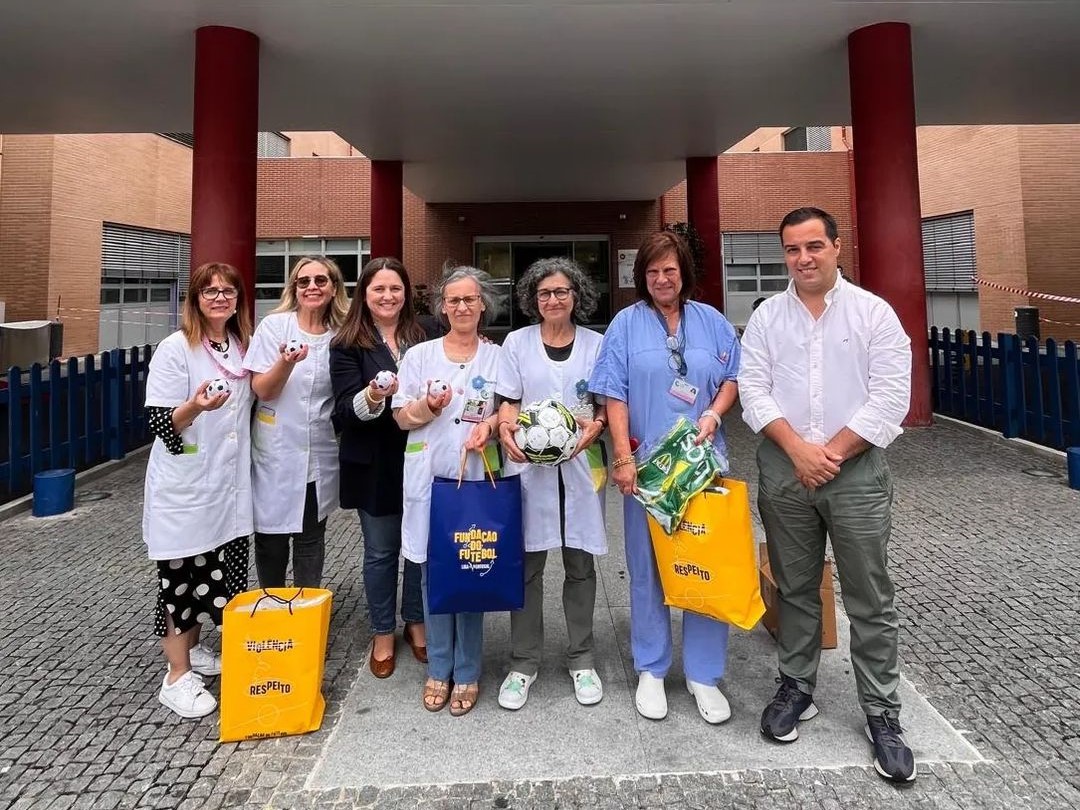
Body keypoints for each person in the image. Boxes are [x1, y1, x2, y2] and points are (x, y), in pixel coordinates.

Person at [738, 207, 914, 783]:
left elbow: (891, 398)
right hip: (785, 468)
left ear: (838, 246)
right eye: (792, 249)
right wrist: (798, 451)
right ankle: (796, 685)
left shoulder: (873, 314)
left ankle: (882, 712)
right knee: (795, 587)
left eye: (814, 246)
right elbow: (754, 392)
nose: (803, 258)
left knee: (870, 595)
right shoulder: (767, 317)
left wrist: (829, 453)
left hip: (856, 471)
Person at [589, 232, 740, 725]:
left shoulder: (712, 321)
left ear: (684, 273)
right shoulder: (625, 325)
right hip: (648, 470)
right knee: (647, 568)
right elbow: (613, 394)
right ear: (642, 277)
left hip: (701, 466)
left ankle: (703, 673)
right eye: (652, 272)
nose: (661, 279)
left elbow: (733, 378)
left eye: (669, 270)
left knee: (704, 565)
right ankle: (651, 668)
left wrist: (714, 413)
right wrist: (622, 457)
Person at [493, 257, 608, 711]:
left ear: (576, 295)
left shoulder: (596, 345)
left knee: (580, 565)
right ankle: (523, 663)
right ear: (532, 299)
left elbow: (605, 404)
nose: (553, 299)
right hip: (529, 470)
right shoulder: (517, 343)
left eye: (561, 291)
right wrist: (507, 429)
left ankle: (582, 658)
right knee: (527, 566)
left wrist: (596, 427)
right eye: (544, 293)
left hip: (581, 467)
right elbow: (508, 400)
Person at [143, 262, 254, 719]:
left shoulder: (241, 345)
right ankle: (176, 676)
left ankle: (194, 650)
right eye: (210, 291)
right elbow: (159, 422)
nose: (220, 298)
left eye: (228, 291)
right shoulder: (176, 348)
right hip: (186, 486)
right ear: (195, 299)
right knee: (180, 578)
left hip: (229, 486)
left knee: (220, 572)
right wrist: (195, 406)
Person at [391, 265, 502, 716]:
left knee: (472, 569)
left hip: (474, 477)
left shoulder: (497, 357)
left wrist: (489, 426)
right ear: (442, 307)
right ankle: (439, 667)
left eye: (469, 299)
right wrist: (428, 406)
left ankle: (468, 670)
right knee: (434, 573)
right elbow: (400, 417)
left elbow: (508, 410)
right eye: (453, 300)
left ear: (482, 305)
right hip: (428, 476)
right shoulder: (419, 356)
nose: (461, 307)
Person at [330, 257, 439, 679]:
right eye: (379, 288)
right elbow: (344, 412)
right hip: (373, 459)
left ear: (407, 293)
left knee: (419, 545)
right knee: (380, 551)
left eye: (395, 288)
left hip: (421, 455)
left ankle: (415, 620)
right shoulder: (347, 343)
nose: (388, 296)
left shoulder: (428, 332)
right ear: (364, 294)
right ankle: (381, 630)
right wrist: (374, 396)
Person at [244, 257, 349, 589]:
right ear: (294, 288)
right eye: (304, 281)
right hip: (275, 449)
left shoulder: (342, 334)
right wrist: (286, 363)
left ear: (334, 288)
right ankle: (272, 602)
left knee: (310, 538)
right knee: (271, 539)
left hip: (318, 450)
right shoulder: (275, 327)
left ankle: (307, 607)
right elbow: (262, 389)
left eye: (320, 280)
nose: (312, 287)